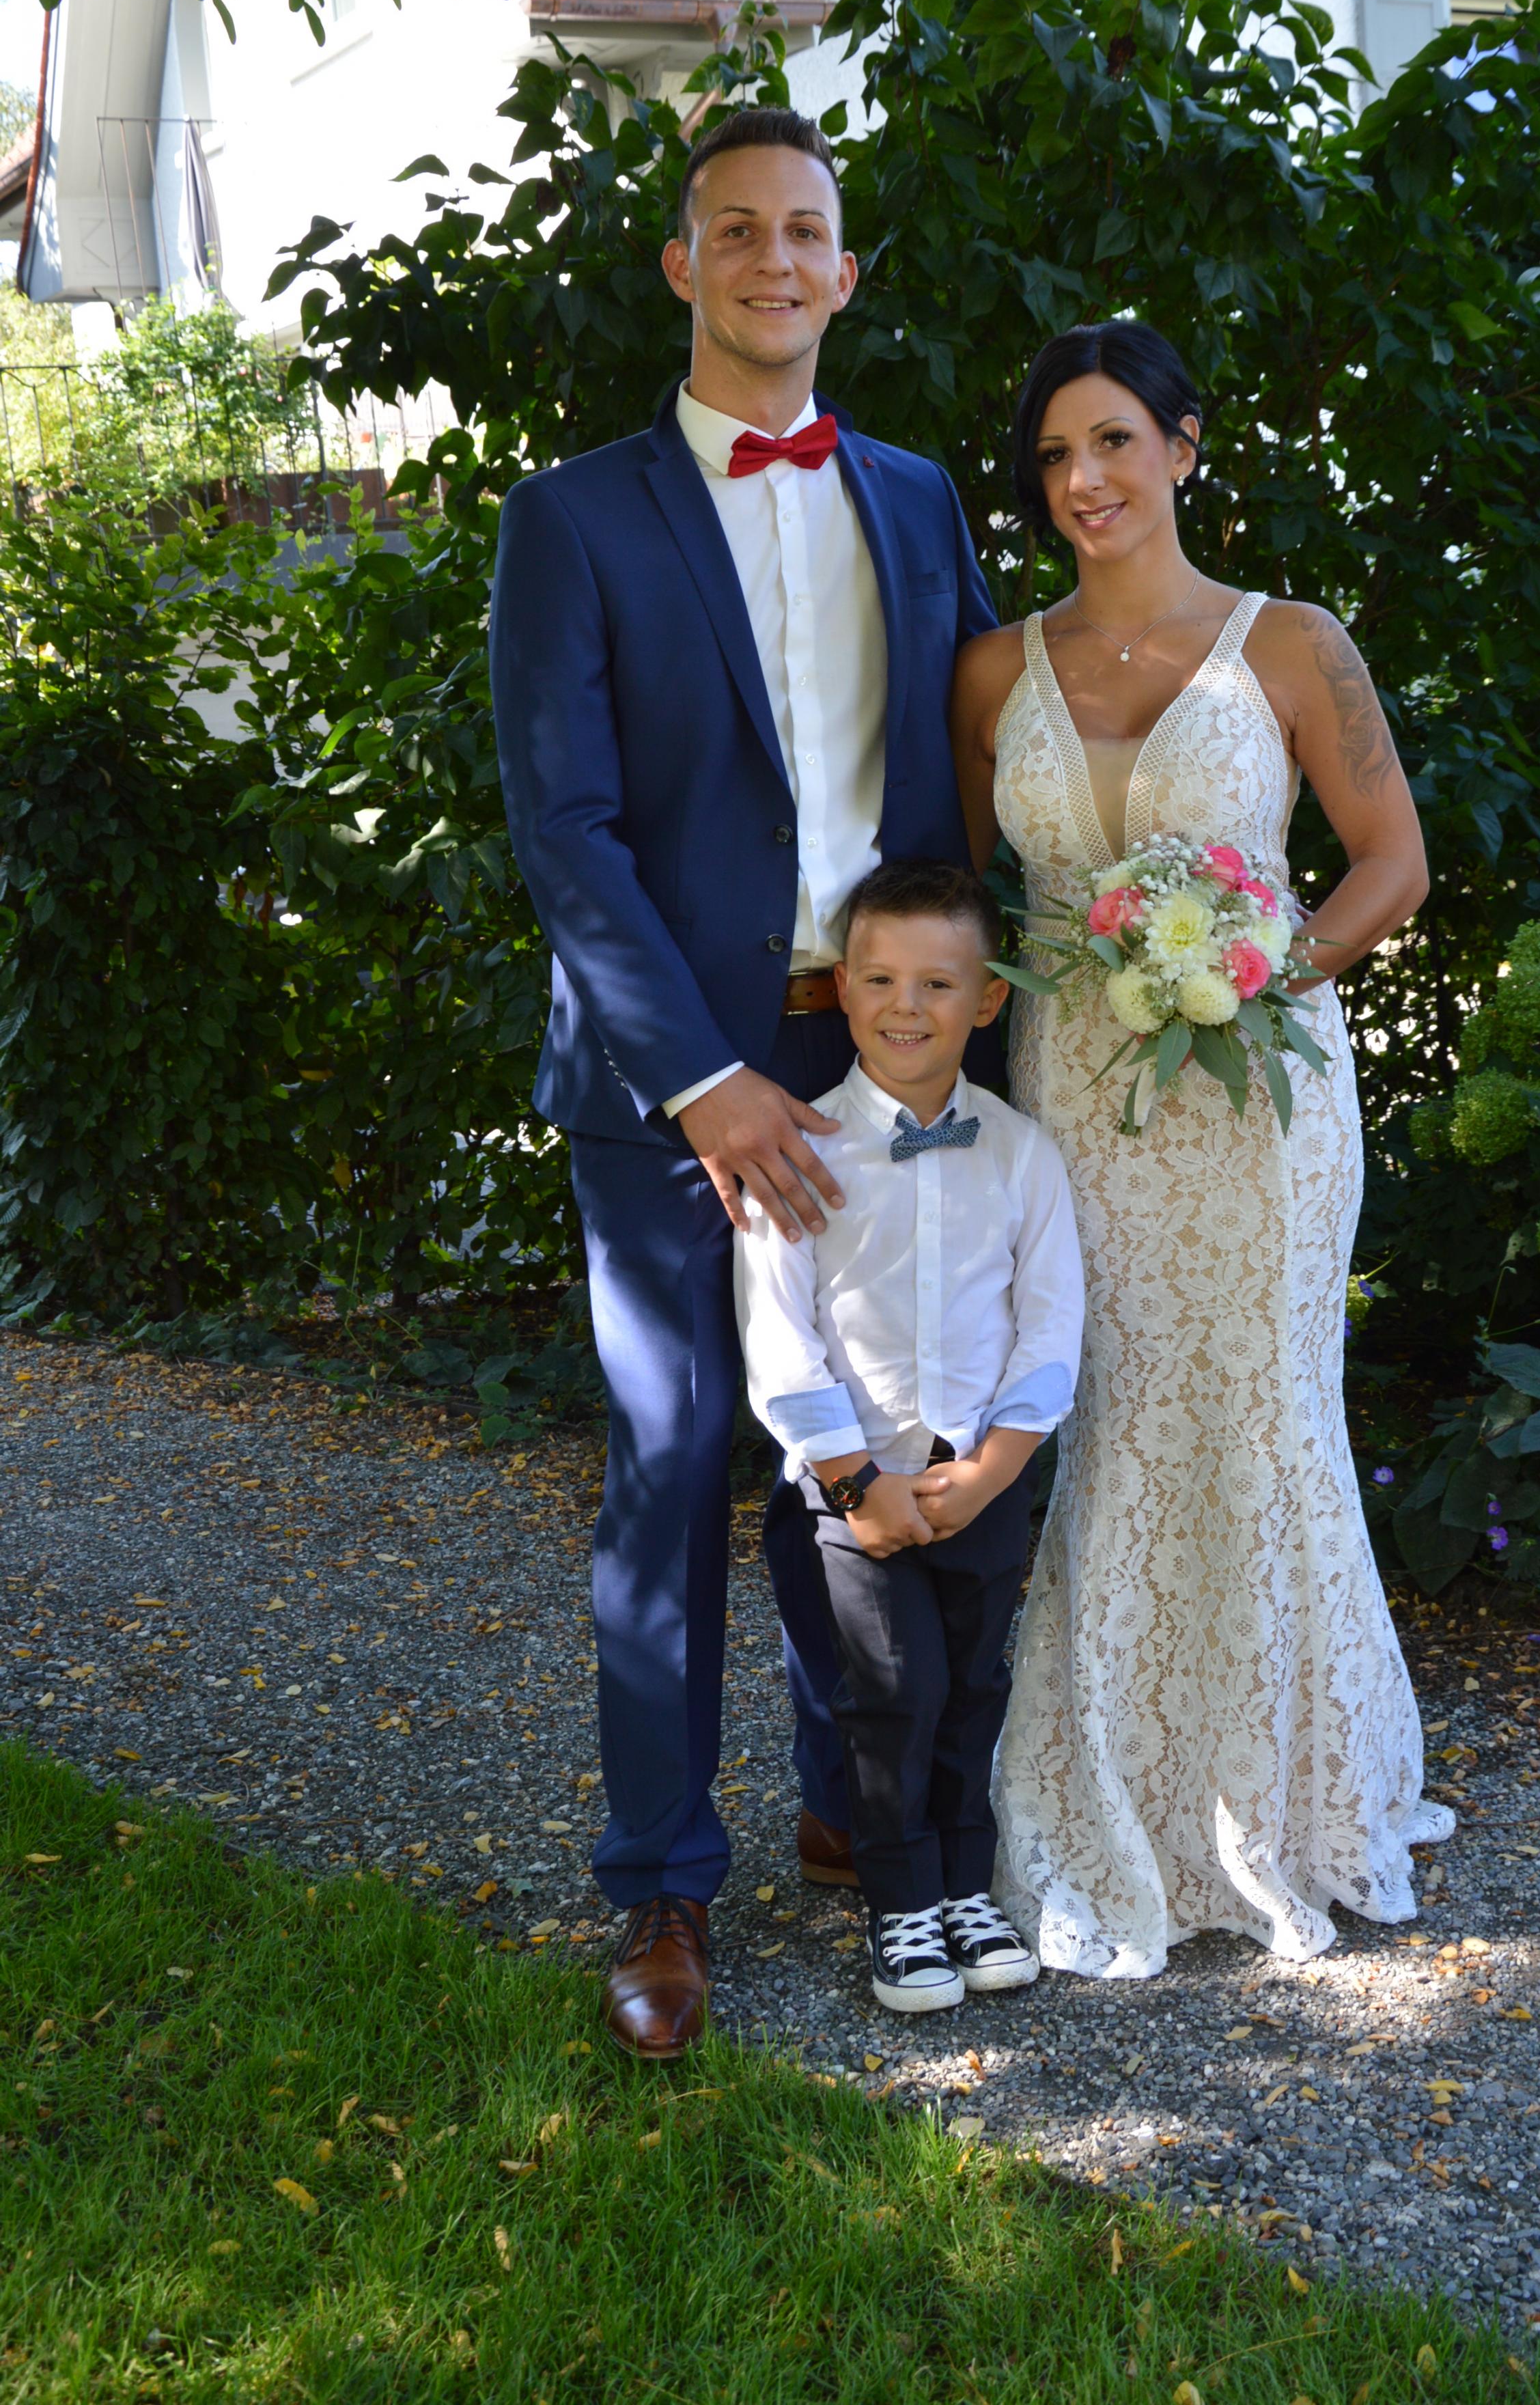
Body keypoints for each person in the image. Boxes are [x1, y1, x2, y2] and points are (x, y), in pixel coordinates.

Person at [490, 107, 997, 2060]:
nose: (774, 259)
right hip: (672, 1082)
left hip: (872, 1060)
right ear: (682, 264)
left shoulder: (920, 502)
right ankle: (660, 1880)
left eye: (806, 231)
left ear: (844, 274)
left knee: (849, 1448)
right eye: (737, 229)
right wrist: (701, 1078)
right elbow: (567, 831)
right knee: (678, 1453)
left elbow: (965, 784)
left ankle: (851, 1802)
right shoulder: (574, 519)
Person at [951, 320, 1453, 1977]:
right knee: (1110, 1414)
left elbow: (1391, 862)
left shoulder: (1290, 643)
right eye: (1054, 455)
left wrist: (1262, 968)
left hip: (1262, 1109)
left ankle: (1292, 1800)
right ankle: (1116, 1797)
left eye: (1112, 441)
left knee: (1259, 1409)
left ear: (1181, 445)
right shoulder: (992, 673)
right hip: (1073, 1107)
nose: (1083, 479)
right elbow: (976, 901)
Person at [736, 859, 1083, 2011]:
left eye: (939, 983)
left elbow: (1051, 1329)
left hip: (981, 1479)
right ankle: (899, 1906)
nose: (906, 1006)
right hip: (856, 1491)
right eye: (880, 978)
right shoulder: (797, 1151)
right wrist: (854, 1484)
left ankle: (966, 1889)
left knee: (975, 1687)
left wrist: (993, 1471)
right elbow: (779, 1341)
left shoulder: (1024, 1154)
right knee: (893, 1693)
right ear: (841, 987)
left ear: (989, 1000)